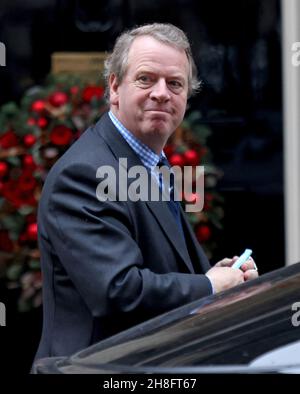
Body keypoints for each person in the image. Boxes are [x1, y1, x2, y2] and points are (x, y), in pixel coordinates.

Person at [34, 23, 258, 361]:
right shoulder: (85, 174)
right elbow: (118, 291)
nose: (161, 93)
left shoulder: (150, 163)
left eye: (175, 83)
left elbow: (157, 264)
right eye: (145, 79)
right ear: (113, 87)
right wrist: (210, 286)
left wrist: (222, 276)